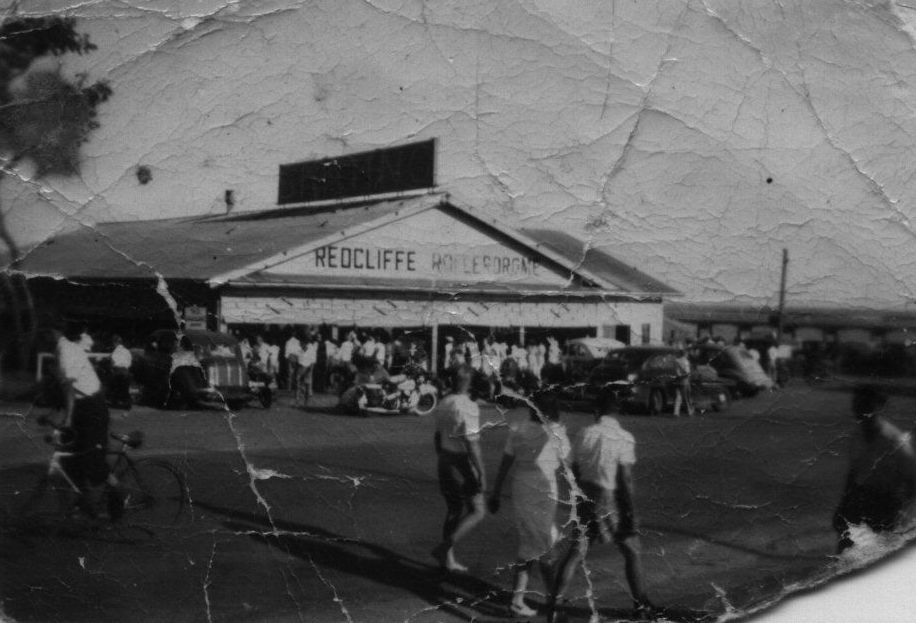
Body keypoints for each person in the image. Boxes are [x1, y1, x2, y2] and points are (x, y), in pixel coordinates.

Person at [548, 389, 654, 622]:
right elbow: (625, 479)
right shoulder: (624, 437)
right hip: (610, 496)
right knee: (632, 550)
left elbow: (574, 468)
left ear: (597, 411)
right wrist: (630, 512)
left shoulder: (584, 433)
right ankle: (640, 605)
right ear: (617, 411)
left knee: (576, 551)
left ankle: (554, 605)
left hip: (585, 493)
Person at [488, 390, 572, 618]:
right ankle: (553, 601)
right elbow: (568, 465)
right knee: (544, 545)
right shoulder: (556, 432)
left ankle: (519, 599)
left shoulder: (519, 428)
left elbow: (506, 462)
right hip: (544, 489)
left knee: (531, 542)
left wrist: (496, 491)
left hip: (522, 487)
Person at [833, 385, 916, 552]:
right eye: (857, 404)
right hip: (861, 497)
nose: (859, 410)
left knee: (877, 552)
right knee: (845, 544)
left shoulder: (894, 440)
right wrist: (843, 504)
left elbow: (912, 479)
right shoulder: (856, 435)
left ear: (877, 407)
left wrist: (901, 510)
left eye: (865, 405)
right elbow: (854, 472)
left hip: (886, 503)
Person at [57, 321, 120, 520]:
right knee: (70, 458)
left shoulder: (66, 349)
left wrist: (67, 419)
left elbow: (69, 387)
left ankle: (117, 499)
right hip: (83, 407)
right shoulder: (65, 347)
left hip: (92, 408)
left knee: (92, 460)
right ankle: (85, 503)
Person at [431, 365, 487, 573]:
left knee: (454, 509)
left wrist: (443, 457)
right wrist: (481, 472)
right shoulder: (469, 407)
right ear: (470, 384)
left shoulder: (443, 402)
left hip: (444, 459)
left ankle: (448, 560)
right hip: (460, 462)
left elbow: (437, 436)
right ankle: (444, 548)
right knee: (478, 510)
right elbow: (472, 444)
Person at [108, 335, 133, 409]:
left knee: (112, 383)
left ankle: (113, 400)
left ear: (115, 343)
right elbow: (129, 363)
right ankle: (126, 401)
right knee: (125, 388)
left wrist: (111, 367)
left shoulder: (115, 352)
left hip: (118, 371)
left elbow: (112, 363)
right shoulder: (127, 351)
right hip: (126, 372)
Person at [672, 349, 694, 417]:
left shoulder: (676, 361)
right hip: (685, 381)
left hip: (677, 380)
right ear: (684, 354)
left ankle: (676, 412)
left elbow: (676, 372)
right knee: (686, 397)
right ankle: (689, 411)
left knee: (678, 397)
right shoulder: (686, 361)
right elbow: (687, 372)